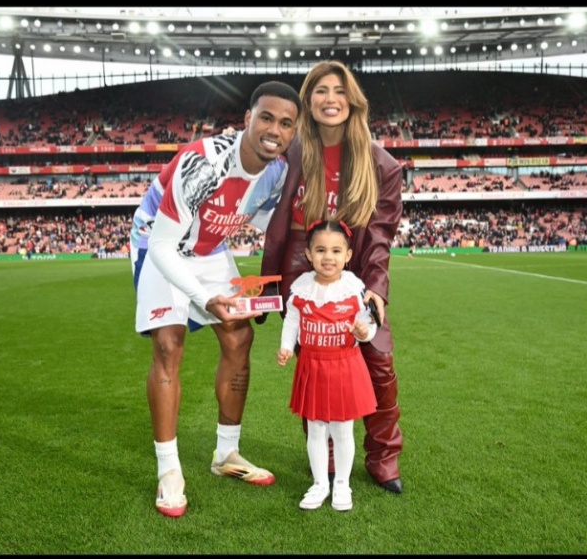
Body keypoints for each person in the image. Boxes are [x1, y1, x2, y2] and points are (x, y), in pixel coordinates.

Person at [130, 81, 301, 517]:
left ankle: (227, 454)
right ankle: (169, 470)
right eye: (266, 118)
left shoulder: (278, 171)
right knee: (168, 344)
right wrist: (204, 297)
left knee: (239, 337)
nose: (274, 130)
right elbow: (164, 245)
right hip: (159, 241)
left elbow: (268, 222)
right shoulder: (204, 163)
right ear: (247, 118)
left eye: (286, 124)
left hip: (208, 248)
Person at [260, 60, 405, 494]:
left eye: (340, 91)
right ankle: (322, 455)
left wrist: (375, 289)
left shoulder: (381, 164)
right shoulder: (291, 154)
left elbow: (379, 236)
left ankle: (383, 455)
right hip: (301, 264)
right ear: (308, 101)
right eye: (321, 90)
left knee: (378, 360)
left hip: (356, 263)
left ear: (352, 100)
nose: (330, 99)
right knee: (315, 363)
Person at [277, 220, 378, 511]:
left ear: (347, 255)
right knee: (316, 429)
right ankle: (320, 483)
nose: (328, 257)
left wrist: (364, 332)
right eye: (320, 250)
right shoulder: (301, 288)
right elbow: (292, 319)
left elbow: (369, 324)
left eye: (336, 250)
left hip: (344, 365)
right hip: (312, 366)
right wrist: (286, 347)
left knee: (342, 430)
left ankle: (342, 483)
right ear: (309, 254)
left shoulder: (354, 288)